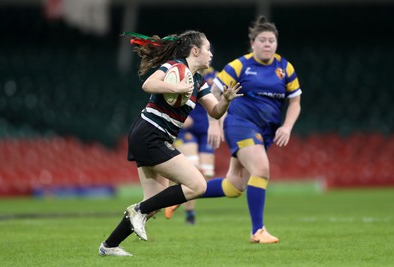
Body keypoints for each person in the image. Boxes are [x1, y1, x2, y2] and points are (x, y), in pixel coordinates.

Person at [99, 30, 242, 256]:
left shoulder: (197, 80)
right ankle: (137, 210)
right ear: (195, 51)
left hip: (155, 136)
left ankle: (109, 246)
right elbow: (148, 84)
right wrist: (176, 88)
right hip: (149, 132)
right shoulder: (175, 67)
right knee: (198, 185)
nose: (211, 54)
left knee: (153, 205)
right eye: (208, 49)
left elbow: (215, 111)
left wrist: (225, 99)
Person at [202, 15, 302, 244]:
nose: (268, 44)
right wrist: (214, 124)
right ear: (253, 43)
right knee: (262, 170)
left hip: (265, 132)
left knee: (234, 185)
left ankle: (185, 191)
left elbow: (295, 102)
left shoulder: (285, 68)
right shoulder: (239, 66)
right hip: (240, 124)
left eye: (272, 40)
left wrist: (287, 127)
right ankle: (258, 231)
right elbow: (212, 94)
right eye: (263, 40)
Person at [164, 67, 219, 224]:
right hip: (186, 128)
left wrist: (220, 123)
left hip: (206, 130)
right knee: (192, 169)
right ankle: (190, 214)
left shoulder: (217, 76)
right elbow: (169, 96)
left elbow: (220, 101)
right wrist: (178, 112)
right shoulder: (183, 73)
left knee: (206, 174)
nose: (209, 55)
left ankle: (175, 200)